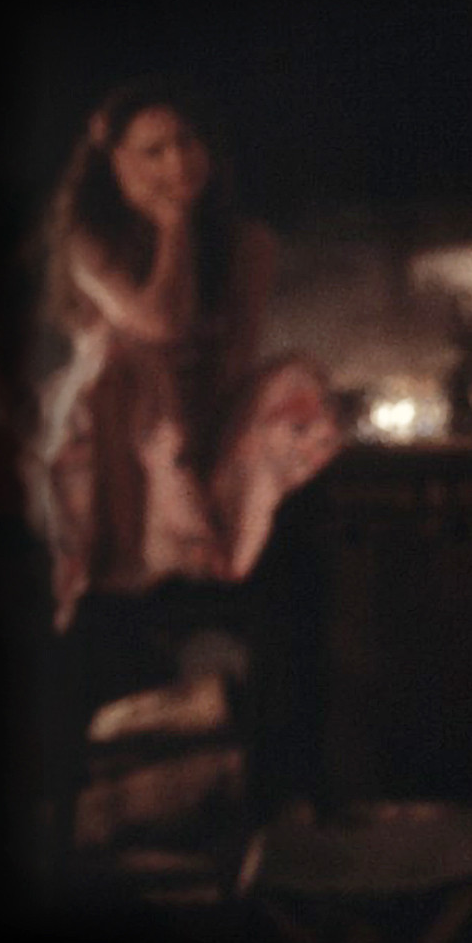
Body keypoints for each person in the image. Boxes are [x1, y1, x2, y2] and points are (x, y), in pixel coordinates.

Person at [27, 77, 340, 634]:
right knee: (128, 362)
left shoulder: (248, 243)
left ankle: (221, 557)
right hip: (112, 420)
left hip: (204, 406)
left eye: (187, 143)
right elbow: (161, 325)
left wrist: (201, 429)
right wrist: (174, 227)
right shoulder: (88, 240)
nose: (177, 163)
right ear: (117, 164)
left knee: (295, 380)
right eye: (154, 152)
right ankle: (139, 578)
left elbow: (237, 355)